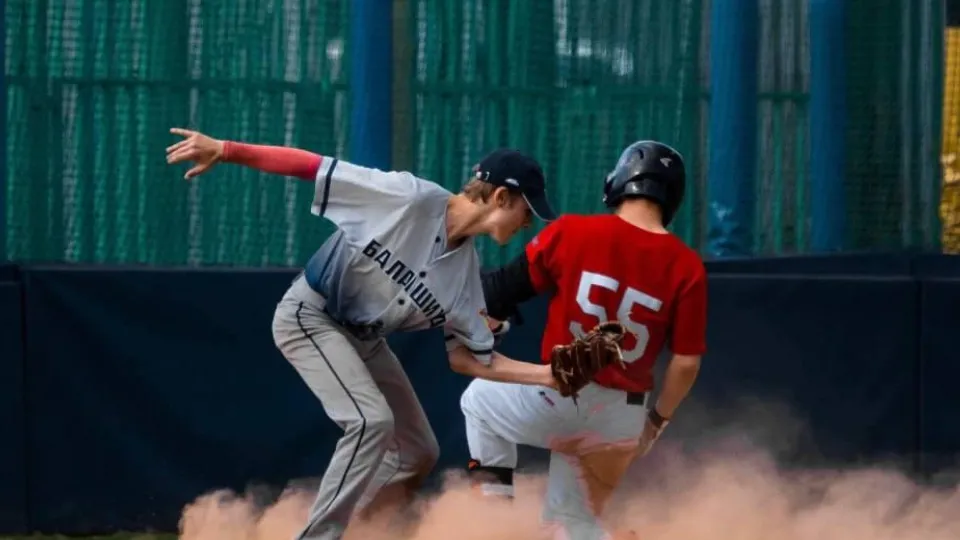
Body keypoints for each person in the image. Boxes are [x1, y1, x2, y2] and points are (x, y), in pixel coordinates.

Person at [164, 128, 560, 540]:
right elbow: (311, 166)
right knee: (371, 422)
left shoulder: (463, 277)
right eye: (526, 210)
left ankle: (363, 531)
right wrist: (227, 150)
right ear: (500, 197)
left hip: (365, 340)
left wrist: (548, 375)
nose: (528, 222)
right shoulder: (409, 198)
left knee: (417, 451)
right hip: (310, 315)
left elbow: (467, 358)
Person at [460, 140, 707, 540]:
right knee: (570, 523)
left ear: (621, 181)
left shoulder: (573, 231)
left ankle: (494, 518)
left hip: (559, 396)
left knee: (478, 400)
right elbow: (686, 363)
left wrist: (487, 314)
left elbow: (498, 293)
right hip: (622, 419)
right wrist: (655, 422)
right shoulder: (688, 265)